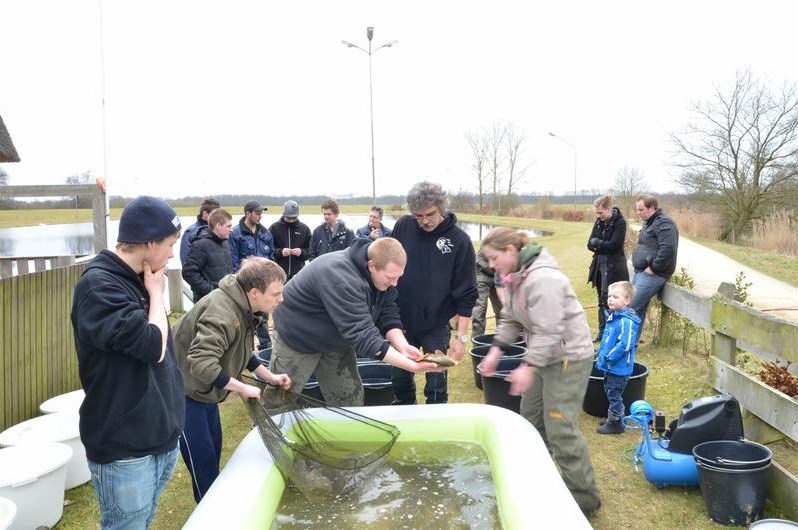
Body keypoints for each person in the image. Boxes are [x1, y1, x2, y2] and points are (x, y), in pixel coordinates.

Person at [71, 195, 185, 530]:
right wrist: (155, 294)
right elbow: (152, 346)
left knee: (144, 520)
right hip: (125, 448)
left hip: (159, 436)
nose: (172, 252)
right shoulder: (100, 287)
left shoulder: (144, 276)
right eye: (170, 244)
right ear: (148, 243)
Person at [479, 227, 601, 516]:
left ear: (511, 250)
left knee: (560, 428)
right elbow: (510, 318)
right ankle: (538, 481)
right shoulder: (514, 276)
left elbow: (549, 331)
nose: (492, 266)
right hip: (542, 355)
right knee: (530, 419)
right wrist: (496, 351)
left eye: (494, 259)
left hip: (568, 357)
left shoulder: (544, 278)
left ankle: (585, 499)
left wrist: (527, 367)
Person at [270, 237, 442, 406]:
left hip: (335, 341)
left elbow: (387, 311)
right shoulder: (340, 276)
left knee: (350, 400)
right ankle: (264, 432)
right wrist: (411, 366)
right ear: (371, 265)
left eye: (399, 277)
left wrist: (402, 346)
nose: (395, 284)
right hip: (298, 338)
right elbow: (363, 336)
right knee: (280, 399)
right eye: (390, 278)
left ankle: (346, 433)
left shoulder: (380, 277)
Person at [174, 257, 292, 502]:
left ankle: (215, 506)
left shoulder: (244, 306)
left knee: (214, 449)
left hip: (204, 392)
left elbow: (241, 350)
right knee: (203, 461)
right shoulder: (223, 312)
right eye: (276, 294)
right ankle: (210, 514)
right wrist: (242, 388)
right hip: (181, 391)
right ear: (254, 292)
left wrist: (270, 377)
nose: (281, 299)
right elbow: (201, 363)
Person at [390, 181, 477, 405]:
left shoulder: (459, 241)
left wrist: (461, 337)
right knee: (399, 381)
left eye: (430, 214)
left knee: (436, 386)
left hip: (436, 325)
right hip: (400, 322)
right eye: (418, 216)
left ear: (442, 208)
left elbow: (467, 293)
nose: (424, 221)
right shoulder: (403, 227)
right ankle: (405, 418)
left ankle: (437, 425)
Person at [595, 281, 641, 435]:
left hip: (618, 367)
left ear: (627, 301)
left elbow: (625, 344)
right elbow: (608, 340)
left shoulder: (626, 321)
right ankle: (613, 418)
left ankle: (616, 423)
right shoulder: (614, 317)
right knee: (609, 390)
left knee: (614, 394)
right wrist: (600, 353)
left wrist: (609, 358)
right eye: (609, 296)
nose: (610, 299)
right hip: (610, 365)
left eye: (615, 297)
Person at [229, 200, 275, 348]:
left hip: (263, 284)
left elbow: (272, 258)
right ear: (247, 213)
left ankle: (265, 349)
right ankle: (244, 351)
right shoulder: (235, 234)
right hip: (246, 286)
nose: (260, 216)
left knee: (264, 318)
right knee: (245, 320)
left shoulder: (265, 233)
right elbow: (234, 262)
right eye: (257, 213)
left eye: (261, 213)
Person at [630, 194, 679, 328]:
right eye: (637, 209)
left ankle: (619, 346)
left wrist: (654, 268)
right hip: (641, 271)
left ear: (652, 208)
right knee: (636, 311)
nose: (638, 213)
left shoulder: (664, 223)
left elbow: (668, 249)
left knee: (629, 309)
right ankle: (630, 347)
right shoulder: (650, 222)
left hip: (654, 274)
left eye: (641, 210)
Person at [587, 195, 629, 342]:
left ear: (609, 209)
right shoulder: (599, 222)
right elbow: (589, 244)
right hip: (599, 265)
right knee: (601, 300)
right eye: (597, 213)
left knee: (613, 301)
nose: (598, 216)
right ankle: (602, 332)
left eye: (601, 213)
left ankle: (615, 334)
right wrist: (601, 243)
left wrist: (598, 243)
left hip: (614, 267)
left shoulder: (620, 223)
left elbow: (614, 245)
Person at [182, 208, 233, 303]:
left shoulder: (225, 242)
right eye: (228, 226)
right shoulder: (200, 245)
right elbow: (188, 272)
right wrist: (210, 290)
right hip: (207, 301)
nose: (231, 229)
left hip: (225, 298)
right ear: (218, 226)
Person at [269, 199, 311, 281]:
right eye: (289, 218)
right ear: (284, 214)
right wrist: (280, 252)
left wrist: (301, 252)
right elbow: (267, 251)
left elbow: (311, 251)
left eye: (294, 217)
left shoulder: (304, 229)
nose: (291, 220)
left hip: (298, 274)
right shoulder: (274, 228)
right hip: (278, 274)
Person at [471, 248, 504, 337]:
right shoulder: (492, 244)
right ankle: (477, 343)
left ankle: (502, 341)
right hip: (481, 271)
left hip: (499, 273)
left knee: (502, 310)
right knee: (479, 310)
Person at [180, 197, 220, 265]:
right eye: (214, 214)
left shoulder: (217, 231)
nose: (218, 217)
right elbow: (186, 260)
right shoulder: (190, 232)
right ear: (205, 214)